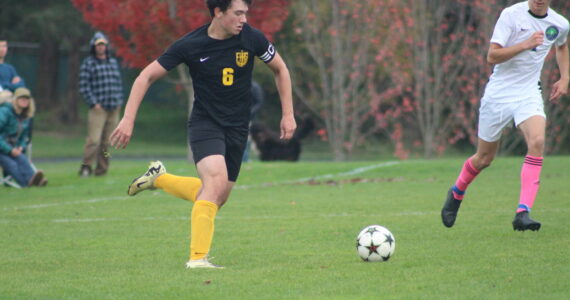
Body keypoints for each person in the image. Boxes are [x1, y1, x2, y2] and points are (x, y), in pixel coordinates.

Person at [109, 0, 296, 269]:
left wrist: (288, 113)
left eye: (245, 13)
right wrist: (127, 118)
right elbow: (146, 76)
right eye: (237, 13)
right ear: (218, 12)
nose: (244, 19)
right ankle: (198, 259)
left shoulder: (252, 38)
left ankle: (159, 179)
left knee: (218, 196)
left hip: (237, 128)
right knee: (215, 181)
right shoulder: (190, 45)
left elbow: (281, 69)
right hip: (205, 123)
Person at [442, 0, 569, 231]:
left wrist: (565, 77)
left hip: (528, 93)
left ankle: (523, 213)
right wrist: (524, 44)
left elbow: (561, 46)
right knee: (484, 159)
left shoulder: (560, 24)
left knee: (537, 141)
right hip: (498, 94)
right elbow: (492, 56)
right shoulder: (511, 15)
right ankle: (457, 191)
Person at [78, 32, 124, 177]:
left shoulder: (112, 62)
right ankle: (86, 167)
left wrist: (119, 101)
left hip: (113, 107)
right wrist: (93, 103)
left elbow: (118, 84)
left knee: (107, 142)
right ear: (94, 46)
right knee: (94, 140)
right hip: (99, 109)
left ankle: (102, 169)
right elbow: (84, 86)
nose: (101, 47)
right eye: (98, 45)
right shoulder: (89, 63)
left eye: (103, 44)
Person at [0, 88, 47, 187]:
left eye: (26, 99)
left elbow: (24, 137)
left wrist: (21, 146)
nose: (24, 101)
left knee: (22, 159)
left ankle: (34, 180)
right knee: (12, 164)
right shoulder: (5, 111)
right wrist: (9, 150)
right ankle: (27, 184)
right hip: (2, 148)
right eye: (21, 98)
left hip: (12, 148)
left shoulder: (25, 116)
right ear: (15, 100)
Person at [242, 80, 264, 162]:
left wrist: (249, 113)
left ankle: (244, 159)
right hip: (236, 117)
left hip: (249, 119)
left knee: (246, 140)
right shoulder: (238, 84)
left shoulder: (254, 86)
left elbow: (259, 102)